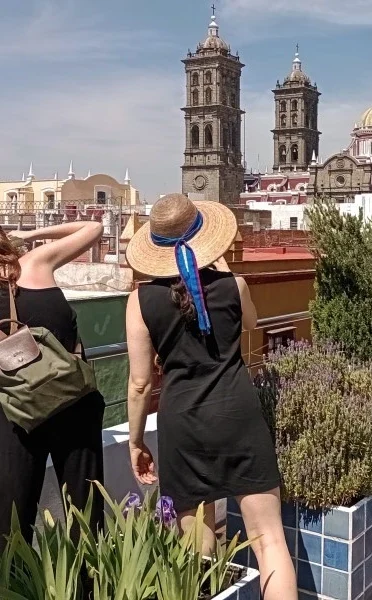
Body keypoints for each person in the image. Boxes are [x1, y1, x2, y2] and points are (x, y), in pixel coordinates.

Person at [125, 194, 297, 600]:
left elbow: (139, 383)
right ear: (204, 235)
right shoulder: (233, 285)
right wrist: (224, 270)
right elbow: (252, 324)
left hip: (182, 422)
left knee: (197, 552)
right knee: (269, 539)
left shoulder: (140, 300)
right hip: (238, 413)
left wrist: (135, 442)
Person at [0, 221, 105, 551]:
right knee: (85, 506)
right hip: (73, 399)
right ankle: (87, 586)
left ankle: (17, 585)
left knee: (13, 514)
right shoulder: (34, 263)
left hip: (18, 412)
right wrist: (30, 236)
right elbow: (94, 227)